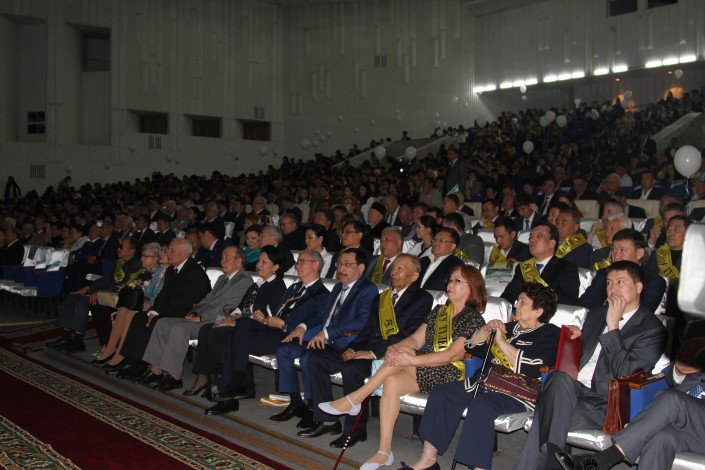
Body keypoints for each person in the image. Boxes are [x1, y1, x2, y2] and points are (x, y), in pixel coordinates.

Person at [318, 265, 486, 470]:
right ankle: (384, 452)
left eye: (457, 281)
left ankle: (355, 398)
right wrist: (395, 349)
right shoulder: (440, 311)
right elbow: (415, 340)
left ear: (472, 287)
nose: (450, 284)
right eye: (450, 280)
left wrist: (409, 359)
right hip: (423, 368)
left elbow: (451, 355)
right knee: (391, 379)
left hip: (450, 373)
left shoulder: (474, 319)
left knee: (404, 355)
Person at [513, 261, 667, 470]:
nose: (613, 288)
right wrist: (577, 341)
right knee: (558, 378)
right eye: (609, 283)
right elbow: (584, 357)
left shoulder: (651, 329)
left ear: (639, 287)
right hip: (570, 390)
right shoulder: (596, 314)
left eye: (620, 282)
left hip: (605, 402)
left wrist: (613, 327)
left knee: (546, 413)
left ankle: (550, 461)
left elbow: (625, 373)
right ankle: (553, 461)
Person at [405, 283, 561, 470]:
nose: (516, 304)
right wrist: (485, 330)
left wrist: (501, 343)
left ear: (539, 311)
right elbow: (472, 348)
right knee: (442, 393)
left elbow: (533, 366)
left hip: (517, 392)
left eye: (523, 302)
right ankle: (428, 459)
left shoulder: (551, 334)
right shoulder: (508, 328)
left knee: (482, 406)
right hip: (484, 383)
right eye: (518, 300)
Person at [301, 254, 432, 447]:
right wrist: (353, 348)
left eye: (400, 269)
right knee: (316, 358)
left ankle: (354, 431)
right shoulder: (382, 298)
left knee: (351, 369)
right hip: (366, 349)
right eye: (393, 267)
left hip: (391, 356)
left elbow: (408, 335)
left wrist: (372, 353)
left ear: (414, 276)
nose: (394, 272)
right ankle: (327, 421)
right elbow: (367, 330)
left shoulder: (422, 299)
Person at [189, 248, 319, 411]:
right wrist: (235, 317)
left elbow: (278, 315)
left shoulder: (281, 286)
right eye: (259, 261)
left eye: (264, 262)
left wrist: (260, 319)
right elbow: (245, 307)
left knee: (227, 332)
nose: (259, 265)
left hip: (272, 330)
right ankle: (224, 387)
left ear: (275, 267)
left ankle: (231, 385)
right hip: (256, 326)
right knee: (213, 330)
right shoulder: (287, 287)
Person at [554, 337, 705, 470]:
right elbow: (669, 378)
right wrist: (678, 371)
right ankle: (601, 461)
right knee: (661, 437)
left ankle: (605, 459)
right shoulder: (700, 345)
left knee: (671, 399)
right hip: (691, 428)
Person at [271, 248, 378, 428]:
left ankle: (315, 408)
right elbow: (321, 314)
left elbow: (361, 321)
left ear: (360, 268)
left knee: (310, 357)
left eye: (347, 264)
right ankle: (301, 404)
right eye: (339, 263)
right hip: (323, 339)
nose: (341, 268)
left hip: (345, 343)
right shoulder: (337, 287)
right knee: (285, 349)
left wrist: (327, 333)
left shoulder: (367, 289)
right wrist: (302, 327)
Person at [138, 246, 254, 392]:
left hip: (217, 321)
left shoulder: (244, 281)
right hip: (202, 317)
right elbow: (206, 300)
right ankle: (155, 370)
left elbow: (229, 310)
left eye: (227, 257)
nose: (222, 260)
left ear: (238, 261)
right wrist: (193, 312)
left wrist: (201, 318)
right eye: (222, 257)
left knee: (180, 328)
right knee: (162, 323)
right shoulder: (222, 278)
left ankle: (174, 377)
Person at [115, 238, 212, 380]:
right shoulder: (172, 269)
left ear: (185, 253)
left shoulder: (194, 273)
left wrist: (158, 315)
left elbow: (184, 304)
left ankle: (144, 364)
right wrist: (153, 312)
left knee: (156, 321)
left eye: (172, 251)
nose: (168, 254)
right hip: (173, 309)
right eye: (168, 250)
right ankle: (131, 360)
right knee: (140, 317)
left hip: (188, 313)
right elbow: (162, 296)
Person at [47, 237, 141, 353]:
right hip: (104, 292)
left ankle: (78, 341)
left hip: (115, 297)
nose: (118, 249)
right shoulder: (120, 262)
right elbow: (105, 279)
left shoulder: (135, 264)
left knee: (82, 301)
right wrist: (87, 288)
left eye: (122, 247)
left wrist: (100, 293)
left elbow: (121, 285)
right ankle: (65, 337)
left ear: (132, 250)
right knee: (70, 298)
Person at [96, 243, 168, 369]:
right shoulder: (143, 271)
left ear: (156, 258)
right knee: (122, 310)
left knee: (129, 312)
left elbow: (160, 294)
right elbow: (139, 289)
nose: (142, 259)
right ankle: (111, 348)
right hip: (137, 302)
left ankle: (121, 353)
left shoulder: (161, 272)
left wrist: (145, 298)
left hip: (151, 305)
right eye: (142, 256)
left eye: (146, 256)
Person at [580, 229, 666, 313]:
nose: (616, 256)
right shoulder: (603, 274)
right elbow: (582, 305)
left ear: (639, 253)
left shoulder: (653, 281)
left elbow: (641, 314)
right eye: (614, 249)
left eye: (622, 250)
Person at [501, 222, 579, 305]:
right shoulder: (523, 268)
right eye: (531, 236)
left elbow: (567, 302)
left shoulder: (566, 268)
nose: (532, 240)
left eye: (538, 236)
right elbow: (508, 296)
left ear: (551, 244)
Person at [418, 227, 465, 291]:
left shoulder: (457, 266)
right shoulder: (422, 261)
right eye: (435, 239)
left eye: (442, 240)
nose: (436, 243)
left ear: (452, 246)